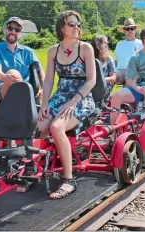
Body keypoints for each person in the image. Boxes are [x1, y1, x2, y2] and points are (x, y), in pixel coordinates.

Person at [38, 10, 96, 199]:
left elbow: (91, 81)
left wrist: (73, 102)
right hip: (60, 95)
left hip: (81, 98)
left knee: (56, 126)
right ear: (61, 28)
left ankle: (68, 179)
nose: (76, 27)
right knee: (40, 126)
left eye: (78, 24)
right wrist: (45, 103)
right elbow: (48, 80)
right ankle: (36, 171)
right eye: (71, 24)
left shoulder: (85, 48)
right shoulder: (53, 51)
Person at [114, 18, 144, 84]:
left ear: (135, 30)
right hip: (121, 72)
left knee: (130, 79)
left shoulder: (141, 43)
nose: (130, 31)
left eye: (132, 28)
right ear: (124, 31)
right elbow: (116, 61)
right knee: (110, 77)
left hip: (135, 72)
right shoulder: (119, 44)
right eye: (127, 29)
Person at [92, 34, 116, 100]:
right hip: (90, 87)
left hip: (104, 87)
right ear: (97, 44)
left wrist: (99, 81)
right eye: (104, 43)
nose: (106, 45)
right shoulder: (89, 58)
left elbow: (113, 78)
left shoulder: (109, 59)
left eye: (107, 43)